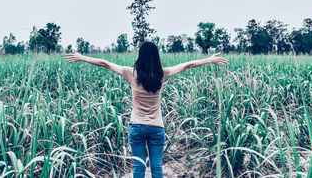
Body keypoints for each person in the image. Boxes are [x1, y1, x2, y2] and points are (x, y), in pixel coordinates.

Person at [64, 41, 228, 178]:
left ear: (140, 56)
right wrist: (209, 59)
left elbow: (105, 63)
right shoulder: (162, 74)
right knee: (157, 168)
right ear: (156, 57)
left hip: (137, 127)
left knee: (138, 168)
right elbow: (188, 65)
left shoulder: (131, 74)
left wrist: (81, 57)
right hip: (156, 128)